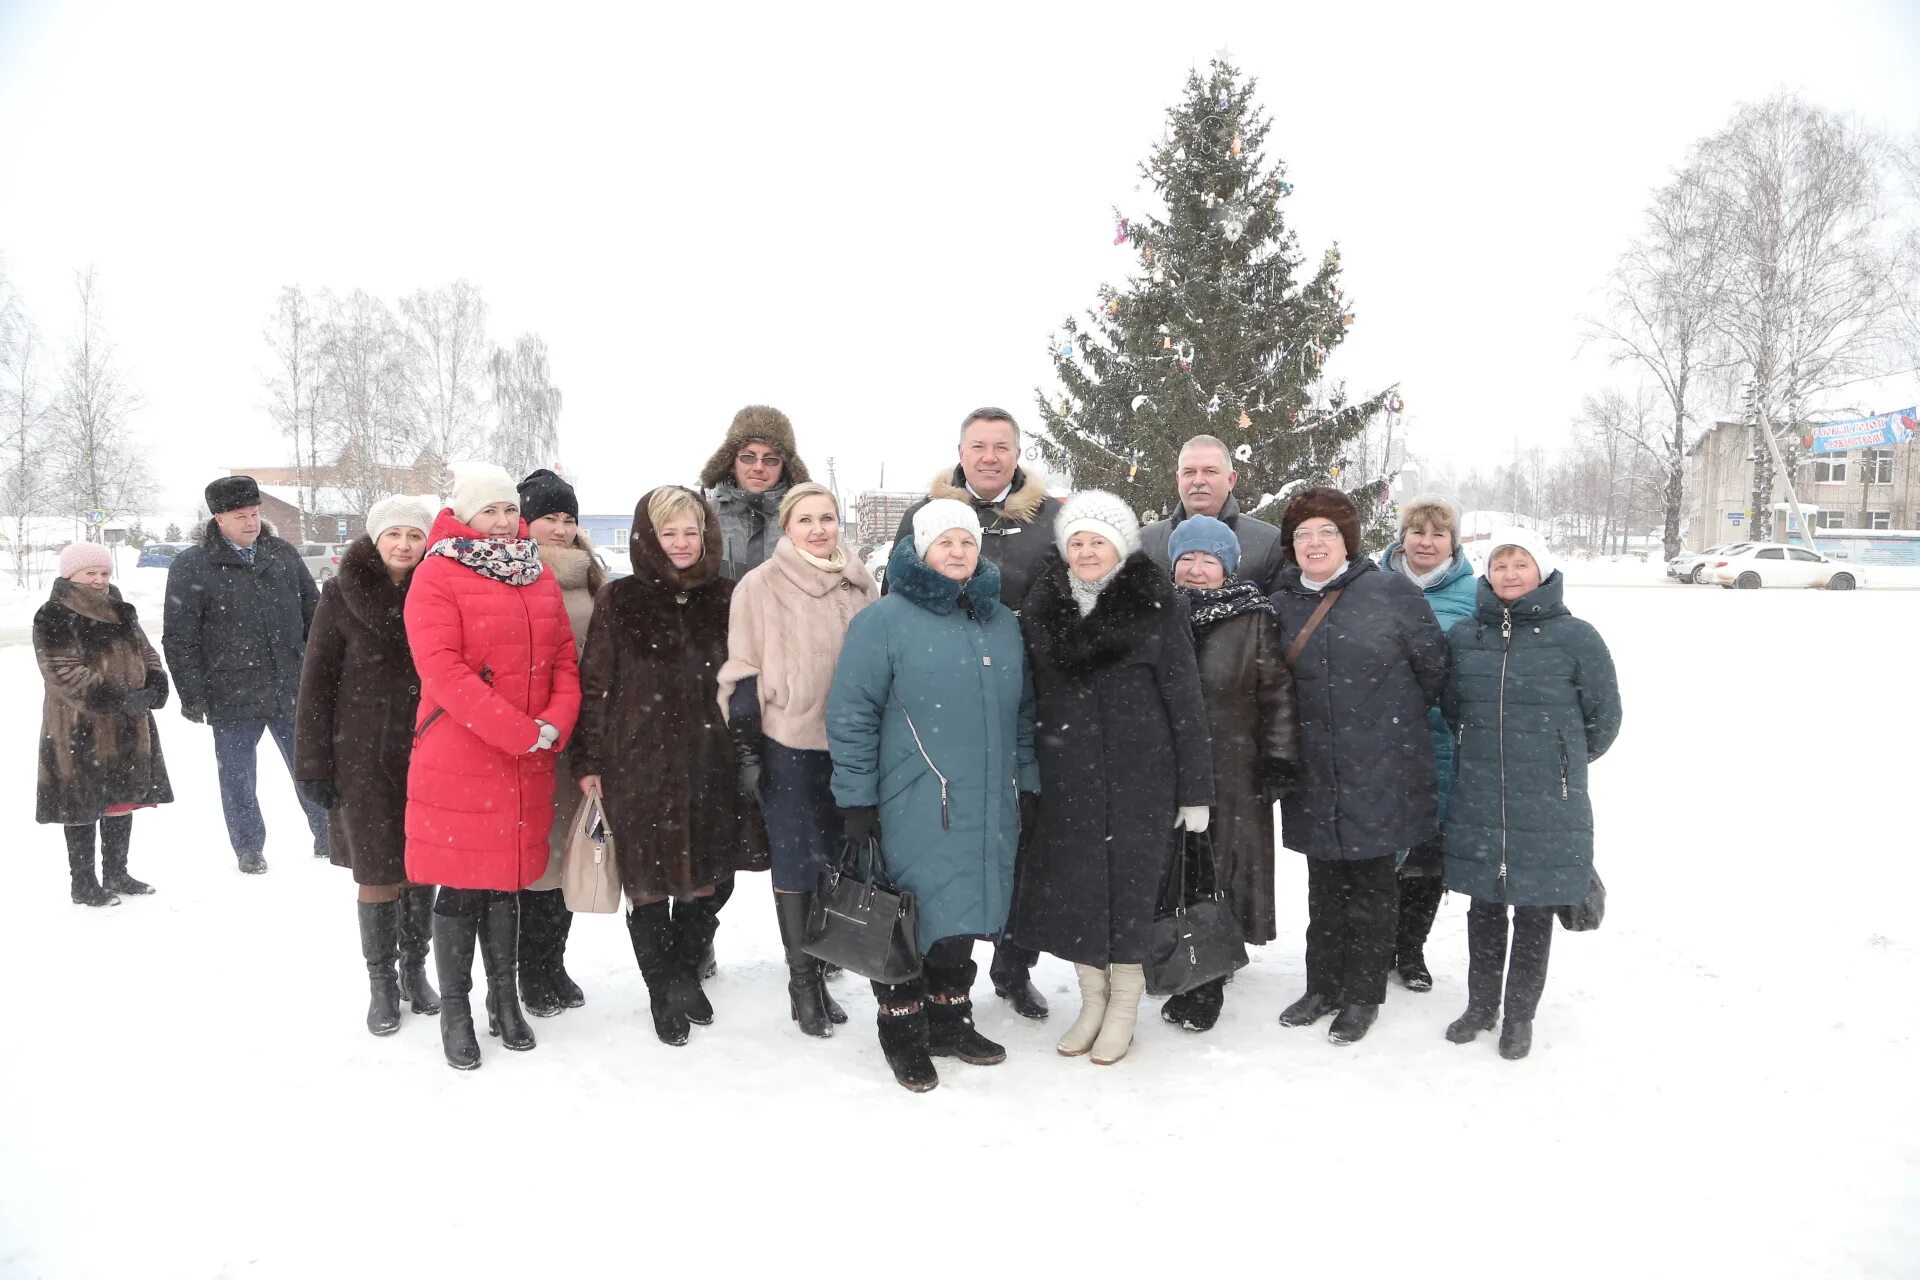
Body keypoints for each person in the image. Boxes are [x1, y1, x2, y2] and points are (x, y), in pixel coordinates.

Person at [827, 500, 1038, 1092]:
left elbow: (1023, 714)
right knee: (911, 915)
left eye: (966, 542)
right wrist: (856, 799)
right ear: (919, 549)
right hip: (912, 799)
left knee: (966, 909)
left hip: (988, 798)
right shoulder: (883, 621)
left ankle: (951, 1019)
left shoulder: (1003, 622)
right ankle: (903, 1031)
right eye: (943, 542)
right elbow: (852, 715)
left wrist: (1030, 783)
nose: (956, 552)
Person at [1011, 491, 1214, 1066]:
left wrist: (1195, 790)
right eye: (1075, 541)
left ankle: (1123, 1005)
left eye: (1097, 540)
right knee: (1076, 890)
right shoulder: (1044, 607)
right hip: (1066, 773)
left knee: (1129, 890)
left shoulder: (1156, 604)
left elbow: (1185, 699)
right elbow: (1029, 697)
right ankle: (1091, 1001)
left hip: (1141, 776)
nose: (1085, 551)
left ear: (1120, 547)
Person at [574, 487, 769, 1047]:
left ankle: (685, 970)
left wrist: (751, 748)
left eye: (692, 531)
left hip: (714, 759)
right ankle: (662, 987)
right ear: (648, 538)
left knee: (709, 878)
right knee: (649, 882)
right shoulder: (620, 599)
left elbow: (750, 680)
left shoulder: (730, 596)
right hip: (639, 760)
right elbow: (597, 684)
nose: (682, 544)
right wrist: (588, 758)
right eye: (669, 533)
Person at [403, 465, 582, 1071]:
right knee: (460, 885)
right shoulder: (436, 572)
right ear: (464, 515)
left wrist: (554, 721)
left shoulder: (534, 573)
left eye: (510, 510)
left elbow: (562, 656)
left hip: (526, 756)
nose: (504, 521)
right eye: (491, 511)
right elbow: (442, 670)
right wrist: (519, 732)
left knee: (506, 881)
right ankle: (457, 1008)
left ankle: (505, 999)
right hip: (463, 755)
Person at [890, 406, 1062, 1019]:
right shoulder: (923, 516)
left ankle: (1015, 967)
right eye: (978, 446)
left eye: (1001, 446)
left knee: (1026, 839)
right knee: (953, 843)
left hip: (1031, 698)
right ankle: (939, 968)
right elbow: (900, 599)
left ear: (1018, 453)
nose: (989, 457)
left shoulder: (1052, 519)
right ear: (960, 452)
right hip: (949, 711)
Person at [1270, 487, 1449, 1046]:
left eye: (1326, 532)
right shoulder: (1280, 604)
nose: (1314, 543)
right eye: (1303, 534)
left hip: (1381, 768)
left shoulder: (1390, 592)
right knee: (1323, 884)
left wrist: (1382, 726)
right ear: (1291, 546)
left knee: (1372, 884)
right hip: (1313, 770)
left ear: (1346, 540)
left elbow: (1433, 671)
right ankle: (1321, 985)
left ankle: (1363, 995)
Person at [1441, 528, 1621, 1060]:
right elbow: (1454, 708)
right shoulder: (1465, 636)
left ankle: (1519, 1016)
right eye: (1500, 565)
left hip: (1548, 796)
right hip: (1478, 791)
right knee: (1483, 907)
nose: (1510, 574)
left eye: (1521, 564)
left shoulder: (1576, 637)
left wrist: (1560, 760)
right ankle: (1480, 1006)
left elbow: (1604, 717)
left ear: (1541, 571)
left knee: (1535, 911)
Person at [718, 481, 876, 1038]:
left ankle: (825, 961)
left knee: (836, 859)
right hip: (788, 744)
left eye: (827, 518)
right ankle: (802, 981)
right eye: (805, 519)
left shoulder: (860, 585)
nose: (817, 529)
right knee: (795, 863)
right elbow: (743, 670)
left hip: (852, 748)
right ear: (787, 526)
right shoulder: (760, 587)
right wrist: (747, 750)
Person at [294, 496, 441, 1036]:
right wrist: (312, 762)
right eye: (393, 534)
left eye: (414, 535)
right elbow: (316, 682)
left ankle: (415, 970)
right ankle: (381, 982)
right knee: (378, 870)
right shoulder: (340, 594)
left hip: (430, 752)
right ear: (375, 539)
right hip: (361, 754)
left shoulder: (440, 589)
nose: (404, 545)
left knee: (423, 866)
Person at [1163, 514, 1299, 1032]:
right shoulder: (1156, 614)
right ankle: (1178, 951)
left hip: (1232, 767)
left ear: (1228, 567)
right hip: (1168, 768)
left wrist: (1280, 758)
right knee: (1175, 868)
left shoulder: (1252, 617)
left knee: (1222, 867)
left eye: (1208, 560)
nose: (1196, 570)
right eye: (1187, 559)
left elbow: (1277, 694)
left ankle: (1209, 977)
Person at [163, 474, 328, 874]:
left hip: (291, 684)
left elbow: (316, 614)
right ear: (218, 519)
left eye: (255, 513)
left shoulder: (281, 553)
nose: (251, 522)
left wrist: (319, 670)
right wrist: (192, 694)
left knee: (310, 766)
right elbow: (179, 637)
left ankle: (329, 835)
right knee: (238, 778)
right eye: (241, 516)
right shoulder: (192, 565)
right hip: (230, 691)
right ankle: (248, 847)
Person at [698, 405, 810, 973]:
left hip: (792, 681)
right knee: (720, 813)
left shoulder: (806, 516)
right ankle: (701, 933)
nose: (759, 468)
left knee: (798, 819)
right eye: (749, 457)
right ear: (731, 460)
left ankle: (814, 942)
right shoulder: (705, 514)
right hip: (721, 678)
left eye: (771, 459)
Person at [1376, 495, 1479, 991]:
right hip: (1379, 741)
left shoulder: (1472, 595)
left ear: (1452, 543)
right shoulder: (1373, 586)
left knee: (1427, 855)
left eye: (1438, 534)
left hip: (1441, 739)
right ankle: (1375, 946)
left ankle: (1411, 950)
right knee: (1379, 850)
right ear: (1403, 536)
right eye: (1418, 531)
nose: (1426, 541)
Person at [34, 541, 172, 907]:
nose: (99, 580)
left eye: (104, 573)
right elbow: (62, 671)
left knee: (121, 798)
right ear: (70, 575)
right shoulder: (54, 613)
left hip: (128, 722)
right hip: (80, 726)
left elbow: (145, 650)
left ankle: (116, 873)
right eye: (90, 573)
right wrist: (117, 698)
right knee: (81, 802)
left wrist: (155, 682)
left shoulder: (119, 608)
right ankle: (83, 884)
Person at [514, 468, 605, 1018]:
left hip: (583, 737)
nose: (561, 529)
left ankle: (554, 961)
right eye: (550, 517)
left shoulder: (593, 576)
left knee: (571, 851)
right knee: (537, 855)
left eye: (569, 519)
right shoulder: (516, 573)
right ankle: (530, 969)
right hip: (533, 734)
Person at [1140, 435, 1288, 594]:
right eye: (1189, 472)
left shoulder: (1269, 543)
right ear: (1178, 479)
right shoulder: (1145, 541)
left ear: (1231, 480)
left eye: (1209, 471)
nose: (1198, 481)